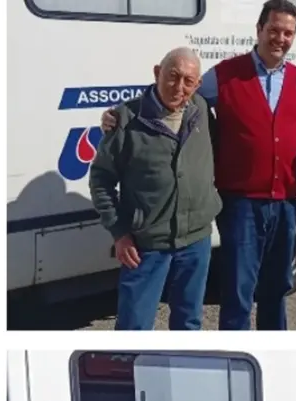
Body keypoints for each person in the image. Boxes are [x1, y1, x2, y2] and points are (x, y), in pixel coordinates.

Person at [102, 0, 296, 330]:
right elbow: (174, 91)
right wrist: (123, 114)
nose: (280, 39)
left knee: (275, 291)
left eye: (288, 33)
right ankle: (234, 352)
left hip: (285, 201)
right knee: (239, 294)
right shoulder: (224, 76)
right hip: (241, 203)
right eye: (273, 30)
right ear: (258, 30)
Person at [88, 47, 221, 331]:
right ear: (157, 73)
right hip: (146, 244)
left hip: (196, 240)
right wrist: (119, 232)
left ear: (197, 85)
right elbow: (101, 179)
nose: (179, 87)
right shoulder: (126, 119)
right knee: (134, 328)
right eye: (173, 76)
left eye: (188, 81)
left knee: (189, 323)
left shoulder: (202, 112)